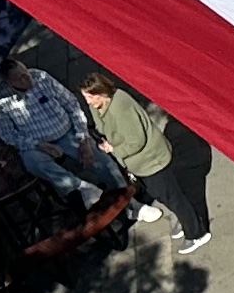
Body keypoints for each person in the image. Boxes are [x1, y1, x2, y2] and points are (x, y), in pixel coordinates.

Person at [82, 75, 209, 250]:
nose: (87, 102)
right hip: (143, 164)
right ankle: (190, 221)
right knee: (169, 195)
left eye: (89, 97)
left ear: (102, 94)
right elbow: (102, 127)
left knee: (172, 197)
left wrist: (114, 149)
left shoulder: (121, 108)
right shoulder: (102, 104)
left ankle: (197, 233)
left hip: (152, 161)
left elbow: (136, 141)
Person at [0, 51, 116, 206]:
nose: (27, 78)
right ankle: (81, 187)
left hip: (66, 131)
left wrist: (83, 137)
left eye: (25, 72)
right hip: (36, 142)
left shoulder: (41, 77)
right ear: (8, 83)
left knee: (100, 160)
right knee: (33, 162)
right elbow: (7, 134)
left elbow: (72, 105)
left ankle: (128, 197)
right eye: (20, 78)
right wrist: (37, 144)